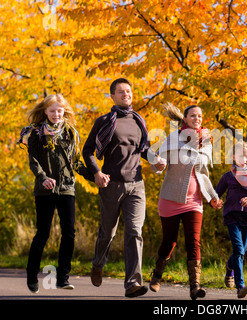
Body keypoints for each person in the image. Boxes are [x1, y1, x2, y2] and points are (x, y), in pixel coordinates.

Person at [82, 78, 166, 298]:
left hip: (136, 185)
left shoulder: (139, 120)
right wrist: (96, 173)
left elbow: (144, 149)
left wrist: (155, 160)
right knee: (107, 233)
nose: (125, 94)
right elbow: (88, 150)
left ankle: (132, 283)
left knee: (134, 232)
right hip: (112, 185)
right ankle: (98, 264)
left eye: (128, 91)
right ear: (112, 96)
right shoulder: (105, 121)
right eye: (121, 92)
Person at [18, 94, 94, 293]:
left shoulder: (70, 133)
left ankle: (63, 278)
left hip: (67, 188)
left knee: (69, 233)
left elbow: (75, 162)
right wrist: (43, 178)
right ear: (45, 112)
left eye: (59, 110)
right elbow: (33, 160)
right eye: (52, 110)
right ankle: (32, 274)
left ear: (64, 111)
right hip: (44, 190)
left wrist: (95, 176)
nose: (56, 114)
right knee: (43, 233)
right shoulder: (36, 133)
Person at [149, 102, 223, 300]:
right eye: (193, 115)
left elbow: (204, 174)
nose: (196, 118)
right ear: (185, 119)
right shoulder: (174, 138)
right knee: (169, 242)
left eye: (199, 116)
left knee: (194, 242)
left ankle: (195, 287)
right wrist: (158, 164)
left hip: (194, 201)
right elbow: (156, 165)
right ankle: (157, 275)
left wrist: (213, 197)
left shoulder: (206, 142)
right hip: (170, 198)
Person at [215, 141, 247, 298]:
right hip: (232, 215)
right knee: (238, 249)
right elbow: (216, 193)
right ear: (233, 157)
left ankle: (230, 267)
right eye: (240, 155)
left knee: (241, 251)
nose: (244, 158)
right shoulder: (228, 177)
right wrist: (215, 201)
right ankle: (240, 286)